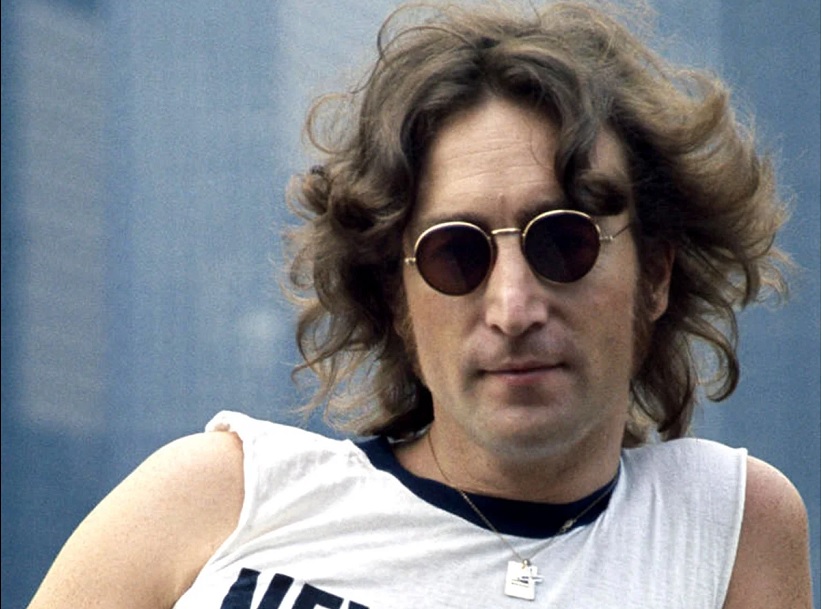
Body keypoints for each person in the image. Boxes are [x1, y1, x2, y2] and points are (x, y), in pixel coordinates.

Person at [28, 2, 812, 608]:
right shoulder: (218, 497)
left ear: (657, 273)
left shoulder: (730, 522)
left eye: (562, 242)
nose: (513, 305)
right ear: (396, 300)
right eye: (456, 255)